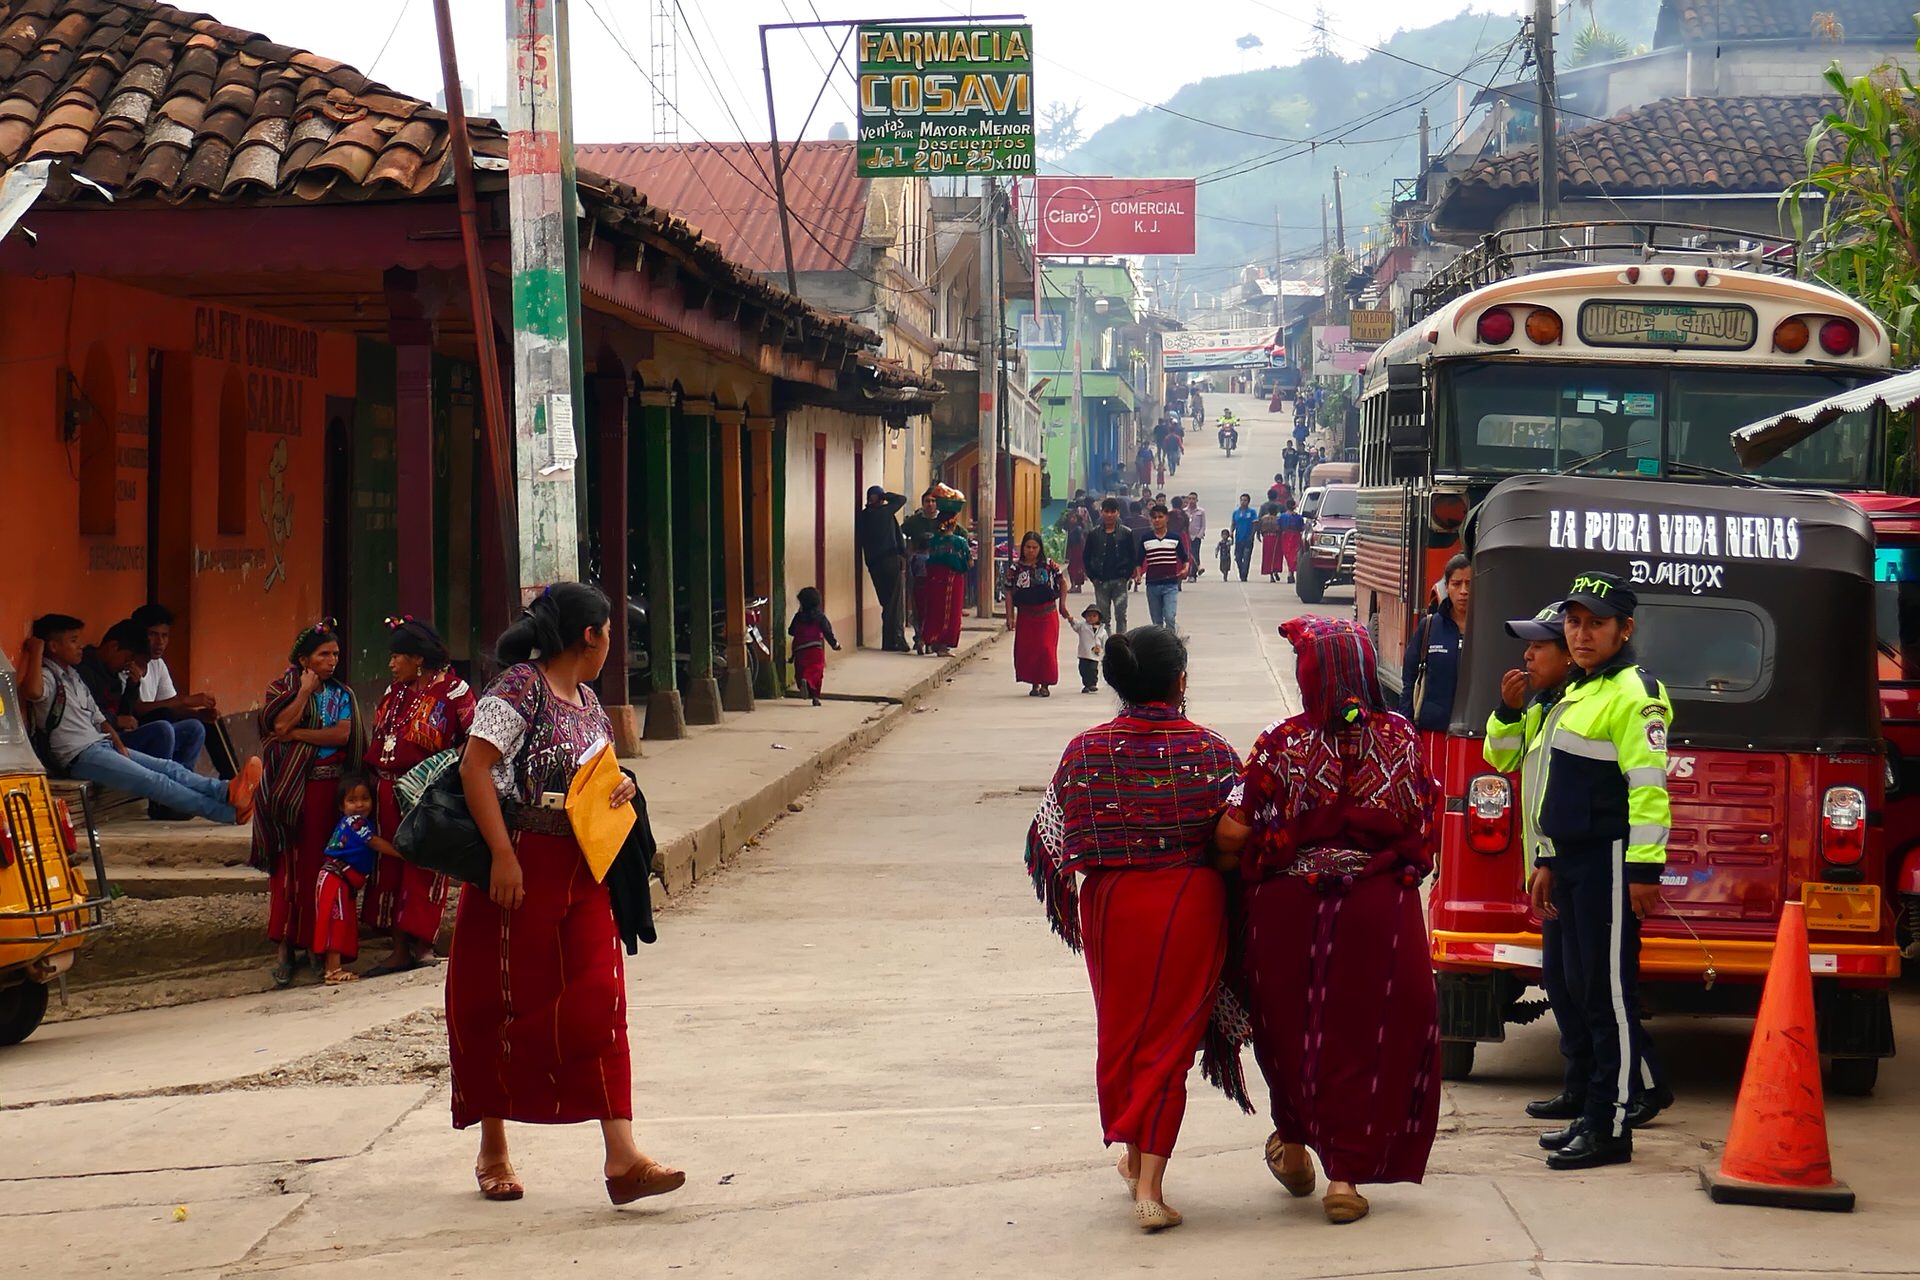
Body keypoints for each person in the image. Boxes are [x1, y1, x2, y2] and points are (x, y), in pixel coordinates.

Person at [451, 582, 683, 1206]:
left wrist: (622, 785)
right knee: (501, 1003)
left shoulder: (589, 701)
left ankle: (623, 1157)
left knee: (601, 1000)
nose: (612, 645)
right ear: (590, 635)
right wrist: (503, 856)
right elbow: (475, 768)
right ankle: (493, 1147)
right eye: (610, 634)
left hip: (585, 869)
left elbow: (592, 777)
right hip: (519, 865)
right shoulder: (517, 689)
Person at [1214, 617, 1442, 1225]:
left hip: (1289, 909)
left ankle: (1293, 1147)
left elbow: (1233, 830)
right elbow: (1425, 822)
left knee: (1290, 1030)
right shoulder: (1402, 737)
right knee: (1364, 1033)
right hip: (1377, 908)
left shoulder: (1281, 741)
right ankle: (1344, 1178)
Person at [1023, 626, 1243, 1232]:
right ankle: (1150, 1187)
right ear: (1179, 681)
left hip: (1110, 905)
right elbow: (1240, 833)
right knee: (1170, 1043)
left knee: (1123, 1034)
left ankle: (1133, 1160)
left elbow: (1051, 838)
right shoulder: (1211, 751)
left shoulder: (1085, 750)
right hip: (1188, 903)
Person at [1485, 606, 1675, 1142]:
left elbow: (1647, 789)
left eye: (1538, 646)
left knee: (1603, 992)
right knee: (1570, 984)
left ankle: (1617, 1110)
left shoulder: (1625, 694)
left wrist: (1644, 867)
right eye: (1572, 626)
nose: (1527, 656)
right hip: (1562, 862)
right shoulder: (1558, 702)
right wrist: (1507, 710)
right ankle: (1588, 1096)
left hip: (1600, 861)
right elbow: (1508, 762)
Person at [18, 614, 261, 825]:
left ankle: (226, 791)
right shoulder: (46, 676)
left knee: (169, 768)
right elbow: (32, 692)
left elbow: (99, 718)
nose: (80, 646)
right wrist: (37, 652)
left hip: (101, 744)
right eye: (73, 641)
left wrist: (118, 744)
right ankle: (227, 813)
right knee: (155, 781)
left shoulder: (73, 676)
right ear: (53, 646)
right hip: (79, 755)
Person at [362, 617, 475, 976]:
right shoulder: (393, 692)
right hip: (386, 789)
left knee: (425, 864)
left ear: (418, 658)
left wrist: (445, 772)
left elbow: (474, 740)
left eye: (397, 657)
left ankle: (423, 944)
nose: (391, 664)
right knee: (390, 866)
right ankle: (398, 949)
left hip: (427, 794)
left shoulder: (454, 692)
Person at [253, 619, 360, 988]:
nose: (332, 661)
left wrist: (297, 732)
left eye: (335, 654)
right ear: (304, 660)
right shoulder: (280, 689)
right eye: (324, 655)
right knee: (288, 869)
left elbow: (341, 735)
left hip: (327, 791)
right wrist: (303, 693)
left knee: (321, 868)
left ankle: (319, 946)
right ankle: (285, 948)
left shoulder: (341, 695)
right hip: (289, 791)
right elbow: (277, 727)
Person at [129, 603, 236, 779]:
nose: (160, 642)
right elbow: (137, 710)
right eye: (153, 635)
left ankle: (232, 778)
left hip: (161, 730)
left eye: (165, 636)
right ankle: (175, 783)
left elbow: (172, 708)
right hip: (139, 734)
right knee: (165, 720)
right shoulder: (127, 664)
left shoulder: (157, 664)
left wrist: (198, 714)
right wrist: (184, 701)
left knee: (203, 722)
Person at [313, 772, 389, 985]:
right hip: (335, 878)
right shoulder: (355, 823)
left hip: (338, 880)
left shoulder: (357, 822)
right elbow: (373, 842)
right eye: (352, 800)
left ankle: (333, 967)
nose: (359, 805)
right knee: (335, 921)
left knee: (340, 921)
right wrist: (401, 853)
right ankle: (332, 970)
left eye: (365, 798)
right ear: (341, 805)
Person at [1399, 554, 1471, 776]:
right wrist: (1407, 725)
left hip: (1475, 734)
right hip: (1433, 733)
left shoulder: (1488, 629)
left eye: (1470, 584)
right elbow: (1410, 678)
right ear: (1446, 586)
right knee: (1432, 790)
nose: (1464, 591)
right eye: (1456, 584)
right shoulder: (1429, 627)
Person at [1005, 531, 1069, 697]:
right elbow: (1009, 592)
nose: (1031, 551)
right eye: (1028, 547)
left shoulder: (1049, 565)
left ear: (1040, 548)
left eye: (1035, 547)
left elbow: (1062, 583)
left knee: (1046, 649)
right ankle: (1034, 683)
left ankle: (1046, 684)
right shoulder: (1015, 568)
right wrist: (1010, 616)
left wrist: (1062, 605)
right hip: (1026, 615)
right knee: (1029, 650)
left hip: (1047, 614)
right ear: (1023, 548)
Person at [858, 486, 911, 653]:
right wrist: (885, 495)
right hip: (889, 561)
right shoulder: (884, 512)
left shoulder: (863, 516)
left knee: (887, 602)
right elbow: (902, 499)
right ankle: (897, 638)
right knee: (895, 602)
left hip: (874, 564)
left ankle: (889, 641)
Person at [919, 508, 972, 657]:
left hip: (933, 579)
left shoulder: (933, 541)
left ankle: (927, 639)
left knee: (933, 610)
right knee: (950, 612)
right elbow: (969, 562)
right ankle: (942, 645)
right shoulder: (959, 542)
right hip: (952, 580)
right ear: (953, 524)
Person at [1083, 497, 1138, 635]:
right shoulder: (1094, 534)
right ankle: (1106, 643)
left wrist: (1127, 575)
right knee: (1103, 618)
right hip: (1100, 581)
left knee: (1121, 616)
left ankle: (1121, 642)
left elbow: (1132, 556)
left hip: (1120, 580)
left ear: (1118, 512)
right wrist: (1093, 577)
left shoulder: (1126, 533)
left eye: (1112, 512)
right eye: (1106, 511)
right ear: (1101, 512)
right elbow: (1086, 557)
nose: (1109, 515)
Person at [1135, 504, 1191, 633]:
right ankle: (1160, 643)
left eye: (1160, 517)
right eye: (1154, 517)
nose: (1157, 520)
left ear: (1166, 518)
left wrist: (1185, 570)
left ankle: (1171, 641)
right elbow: (1138, 560)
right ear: (1151, 519)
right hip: (1152, 585)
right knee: (1157, 622)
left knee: (1170, 617)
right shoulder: (1146, 539)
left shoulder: (1174, 538)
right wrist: (1138, 575)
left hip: (1170, 584)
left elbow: (1185, 558)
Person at [902, 491, 942, 655]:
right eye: (927, 501)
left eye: (933, 501)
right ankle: (920, 637)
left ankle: (931, 638)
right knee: (919, 604)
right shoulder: (914, 521)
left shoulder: (943, 520)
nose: (930, 504)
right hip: (918, 567)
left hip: (938, 567)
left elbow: (961, 534)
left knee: (934, 605)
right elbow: (901, 532)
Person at [789, 586, 841, 705]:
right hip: (815, 649)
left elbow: (791, 631)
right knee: (816, 671)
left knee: (801, 671)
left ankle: (804, 682)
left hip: (799, 650)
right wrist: (835, 644)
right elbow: (828, 632)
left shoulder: (798, 617)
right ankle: (815, 696)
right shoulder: (820, 617)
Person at [1069, 604, 1107, 694]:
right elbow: (1075, 625)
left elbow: (1105, 642)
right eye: (1089, 616)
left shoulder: (1102, 631)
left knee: (1093, 669)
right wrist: (1071, 620)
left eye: (1094, 616)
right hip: (1083, 653)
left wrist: (1105, 653)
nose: (1091, 618)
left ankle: (1093, 684)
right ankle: (1086, 685)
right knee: (1083, 670)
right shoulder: (1082, 626)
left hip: (1095, 654)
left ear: (1099, 617)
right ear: (1085, 617)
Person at [1230, 494, 1258, 583]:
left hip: (1248, 539)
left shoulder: (1252, 512)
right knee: (1238, 557)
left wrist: (1252, 535)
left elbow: (1255, 524)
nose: (1243, 502)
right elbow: (1233, 523)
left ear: (1248, 502)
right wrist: (1231, 532)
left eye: (1245, 500)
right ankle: (1241, 571)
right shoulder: (1236, 512)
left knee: (1246, 557)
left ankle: (1244, 575)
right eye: (1242, 500)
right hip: (1239, 538)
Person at [1063, 503, 1089, 594]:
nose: (1072, 519)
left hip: (1077, 550)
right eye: (1071, 518)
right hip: (1075, 550)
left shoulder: (1077, 529)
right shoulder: (1072, 528)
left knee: (1074, 568)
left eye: (1074, 518)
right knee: (1075, 568)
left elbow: (1081, 541)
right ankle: (1076, 586)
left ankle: (1075, 586)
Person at [1277, 501, 1306, 583]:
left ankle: (1290, 573)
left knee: (1288, 555)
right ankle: (1291, 573)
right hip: (1295, 536)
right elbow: (1301, 527)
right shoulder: (1298, 517)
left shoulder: (1282, 516)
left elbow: (1278, 527)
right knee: (1294, 556)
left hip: (1285, 537)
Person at [1258, 496, 1285, 582]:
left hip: (1266, 538)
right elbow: (1281, 529)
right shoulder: (1278, 519)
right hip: (1276, 538)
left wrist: (1258, 534)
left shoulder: (1263, 518)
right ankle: (1275, 570)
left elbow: (1259, 527)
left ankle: (1271, 574)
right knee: (1276, 556)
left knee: (1268, 556)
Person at [1185, 493, 1208, 582]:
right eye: (1190, 498)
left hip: (1196, 537)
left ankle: (1193, 575)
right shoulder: (1184, 511)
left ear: (1197, 500)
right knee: (1188, 555)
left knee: (1195, 554)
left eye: (1193, 499)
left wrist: (1199, 536)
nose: (1191, 501)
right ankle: (1189, 572)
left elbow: (1203, 525)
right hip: (1187, 537)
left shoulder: (1201, 512)